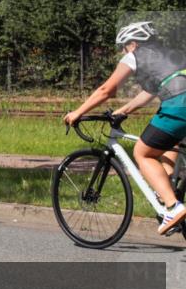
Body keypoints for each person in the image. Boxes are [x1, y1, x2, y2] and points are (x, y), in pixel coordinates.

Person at [63, 21, 186, 235]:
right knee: (169, 140)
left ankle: (173, 208)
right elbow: (150, 92)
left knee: (142, 152)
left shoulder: (135, 55)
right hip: (180, 106)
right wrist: (124, 110)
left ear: (133, 43)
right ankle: (170, 190)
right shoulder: (169, 55)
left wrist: (78, 112)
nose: (122, 51)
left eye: (123, 46)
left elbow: (106, 89)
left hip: (179, 106)